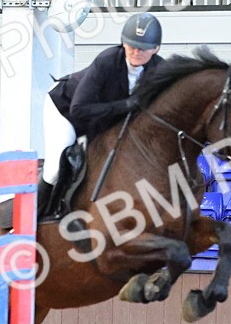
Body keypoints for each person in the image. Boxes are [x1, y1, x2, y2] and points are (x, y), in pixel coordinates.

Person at [38, 13, 164, 218]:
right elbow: (79, 109)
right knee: (54, 169)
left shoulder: (160, 70)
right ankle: (31, 219)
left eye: (143, 48)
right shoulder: (107, 61)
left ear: (155, 49)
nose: (136, 52)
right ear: (123, 43)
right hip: (65, 109)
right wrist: (125, 105)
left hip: (101, 120)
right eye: (131, 45)